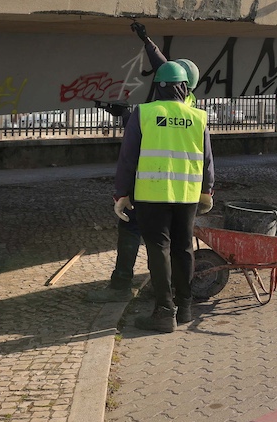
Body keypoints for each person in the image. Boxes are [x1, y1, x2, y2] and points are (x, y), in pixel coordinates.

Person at [86, 23, 202, 303]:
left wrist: (128, 117)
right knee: (175, 244)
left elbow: (146, 142)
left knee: (136, 232)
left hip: (152, 186)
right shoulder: (191, 107)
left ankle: (125, 286)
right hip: (182, 191)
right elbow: (164, 68)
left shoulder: (162, 108)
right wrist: (147, 41)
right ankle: (175, 297)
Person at [114, 62, 214, 332]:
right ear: (183, 88)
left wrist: (121, 193)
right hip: (187, 195)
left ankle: (163, 311)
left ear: (158, 86)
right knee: (184, 249)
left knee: (159, 250)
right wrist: (207, 190)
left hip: (152, 195)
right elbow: (206, 160)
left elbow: (127, 158)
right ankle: (184, 308)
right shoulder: (197, 116)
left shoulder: (143, 113)